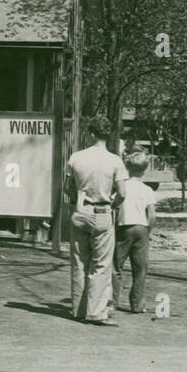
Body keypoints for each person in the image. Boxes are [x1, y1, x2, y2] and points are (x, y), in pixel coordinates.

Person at [63, 116, 129, 326]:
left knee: (79, 261)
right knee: (100, 264)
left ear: (91, 134)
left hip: (80, 211)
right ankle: (96, 311)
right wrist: (112, 205)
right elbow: (122, 193)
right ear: (107, 135)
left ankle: (78, 310)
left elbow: (67, 188)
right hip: (102, 211)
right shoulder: (115, 160)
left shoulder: (76, 157)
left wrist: (77, 201)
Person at [112, 150, 156, 315]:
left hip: (124, 227)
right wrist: (148, 231)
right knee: (140, 268)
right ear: (144, 170)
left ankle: (113, 301)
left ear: (126, 167)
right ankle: (137, 304)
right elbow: (152, 215)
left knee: (116, 266)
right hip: (142, 228)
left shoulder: (122, 187)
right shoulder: (147, 190)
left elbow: (115, 207)